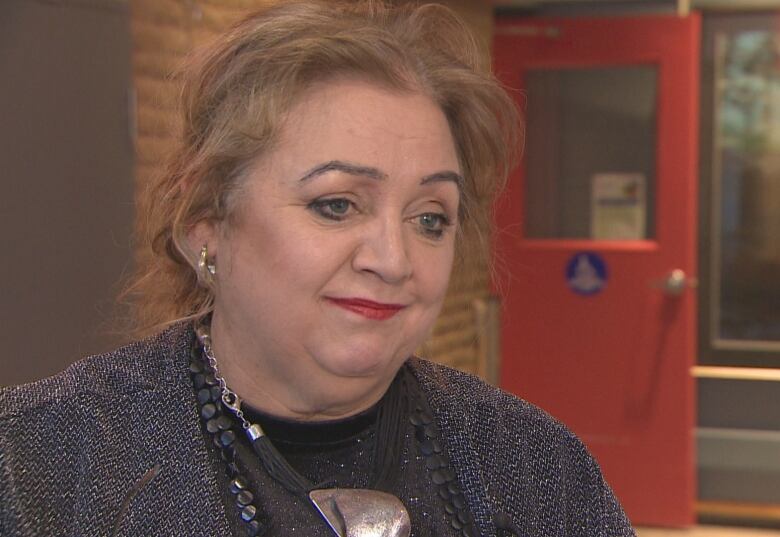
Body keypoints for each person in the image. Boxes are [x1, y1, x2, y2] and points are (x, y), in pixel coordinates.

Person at [0, 1, 636, 536]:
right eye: (336, 205)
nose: (393, 260)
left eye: (430, 218)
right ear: (207, 223)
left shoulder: (532, 465)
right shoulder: (42, 463)